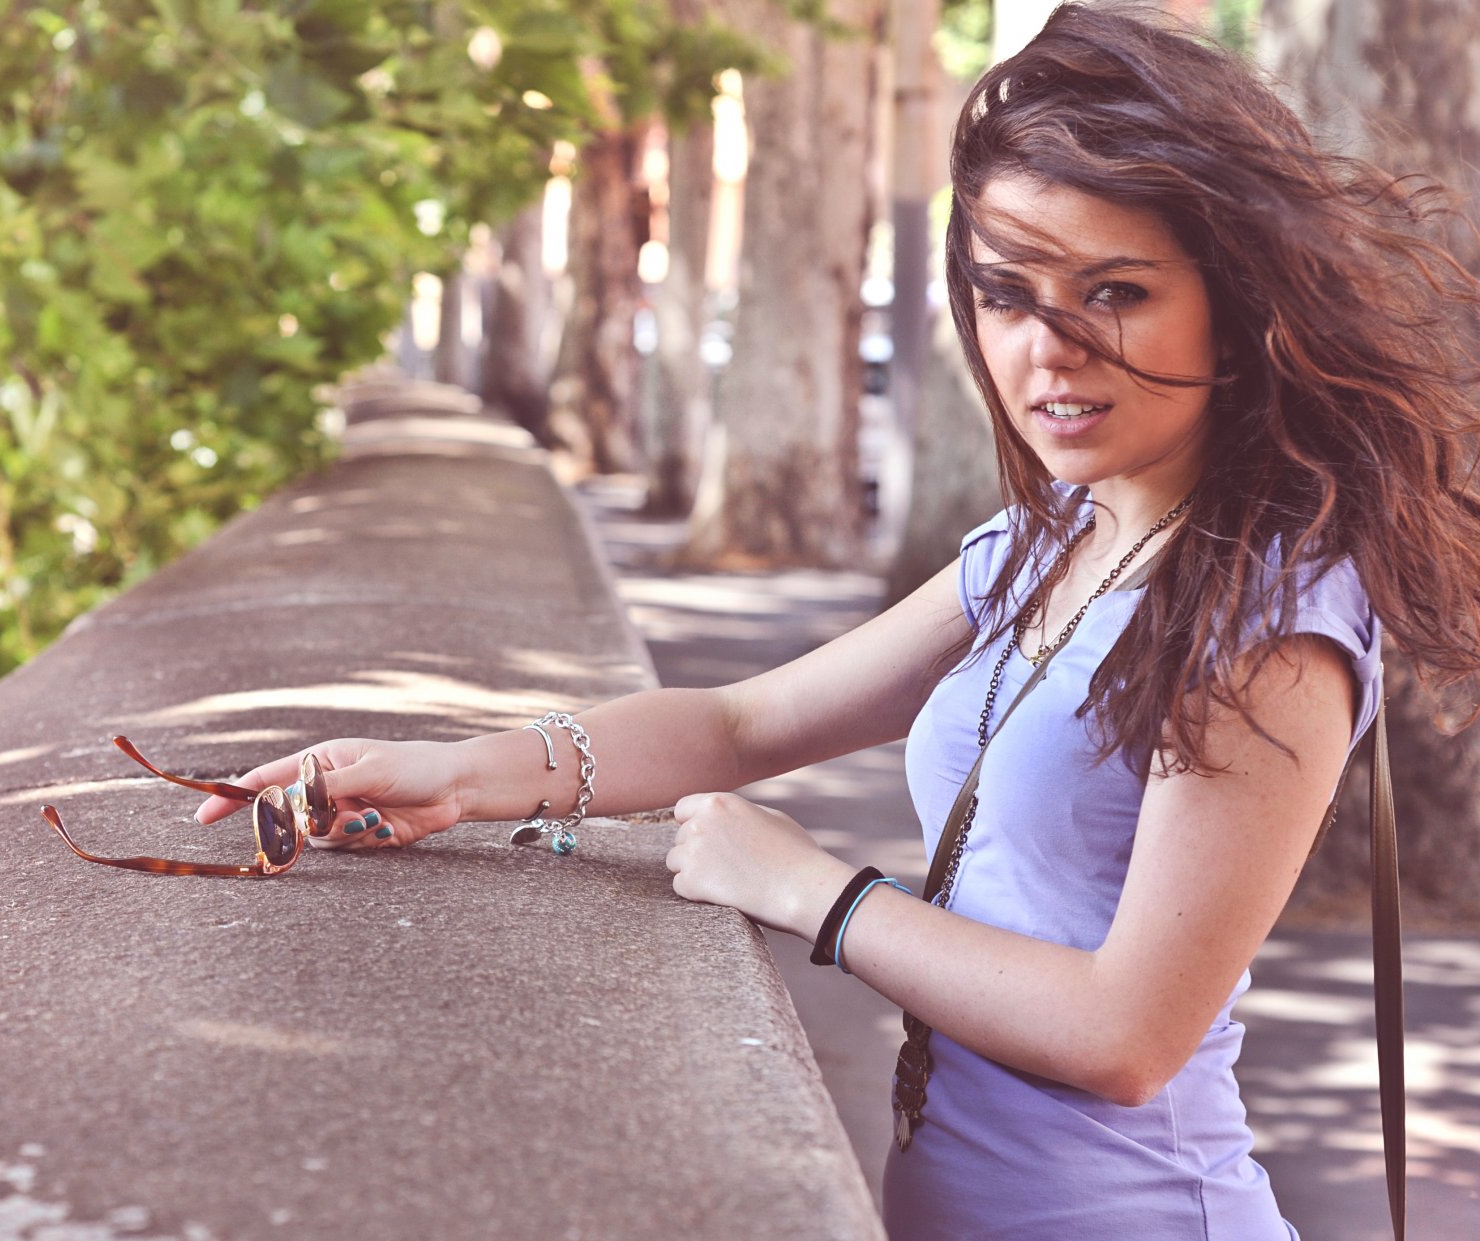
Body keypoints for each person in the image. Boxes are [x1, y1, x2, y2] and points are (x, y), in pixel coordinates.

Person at [201, 6, 1480, 1237]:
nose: (1049, 350)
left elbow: (1128, 1035)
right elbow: (747, 717)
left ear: (1238, 298)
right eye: (1007, 293)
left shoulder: (1263, 625)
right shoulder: (1048, 542)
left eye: (1118, 292)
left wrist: (814, 887)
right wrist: (454, 775)